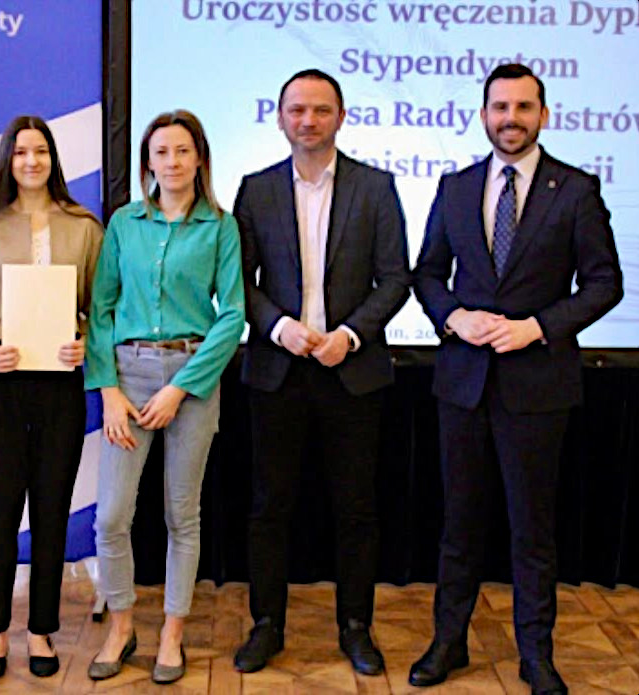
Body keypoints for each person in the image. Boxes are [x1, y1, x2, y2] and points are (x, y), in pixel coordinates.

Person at [410, 64, 623, 695]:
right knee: (458, 525)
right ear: (483, 115)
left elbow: (605, 283)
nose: (511, 118)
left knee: (532, 531)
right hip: (462, 384)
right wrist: (453, 316)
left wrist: (538, 327)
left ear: (543, 115)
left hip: (538, 386)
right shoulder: (455, 188)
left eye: (524, 107)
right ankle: (448, 643)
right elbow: (427, 274)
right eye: (500, 107)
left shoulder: (576, 190)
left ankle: (536, 656)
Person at [232, 68, 411, 676]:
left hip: (352, 372)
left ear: (341, 117)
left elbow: (396, 278)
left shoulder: (376, 187)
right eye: (297, 110)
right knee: (269, 507)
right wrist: (278, 326)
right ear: (280, 118)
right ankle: (266, 624)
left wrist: (351, 334)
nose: (308, 120)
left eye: (320, 110)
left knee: (356, 508)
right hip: (277, 372)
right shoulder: (255, 190)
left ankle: (356, 627)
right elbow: (238, 281)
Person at [85, 110, 244, 685]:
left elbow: (233, 315)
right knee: (111, 516)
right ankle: (122, 626)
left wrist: (181, 388)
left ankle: (173, 633)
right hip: (127, 377)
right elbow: (100, 309)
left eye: (182, 151)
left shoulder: (220, 226)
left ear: (199, 158)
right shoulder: (125, 224)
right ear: (147, 162)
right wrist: (107, 390)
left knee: (182, 513)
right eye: (161, 152)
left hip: (192, 378)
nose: (171, 162)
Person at [0, 115, 104, 679]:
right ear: (7, 161)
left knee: (50, 510)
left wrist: (85, 341)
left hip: (60, 385)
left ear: (53, 158)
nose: (32, 161)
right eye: (20, 153)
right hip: (1, 382)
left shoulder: (85, 228)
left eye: (41, 151)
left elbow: (101, 311)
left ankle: (41, 631)